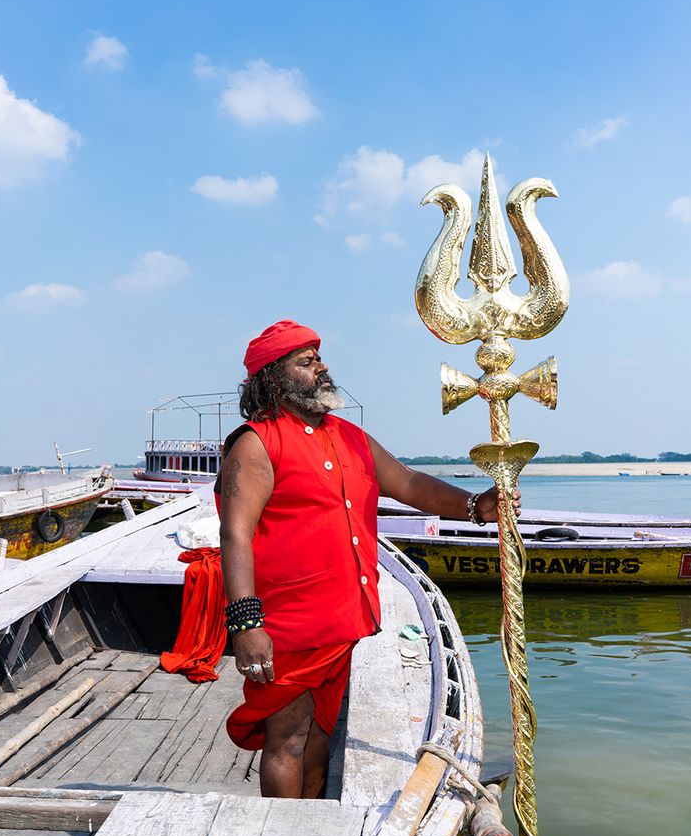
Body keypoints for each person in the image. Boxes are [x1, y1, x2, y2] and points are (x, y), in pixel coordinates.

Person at [218, 319, 519, 799]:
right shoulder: (258, 443)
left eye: (319, 357)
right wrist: (246, 625)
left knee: (319, 737)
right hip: (290, 626)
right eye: (307, 361)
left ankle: (309, 827)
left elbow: (410, 485)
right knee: (288, 739)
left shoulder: (351, 437)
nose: (322, 367)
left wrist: (474, 507)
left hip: (345, 620)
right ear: (273, 377)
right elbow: (235, 533)